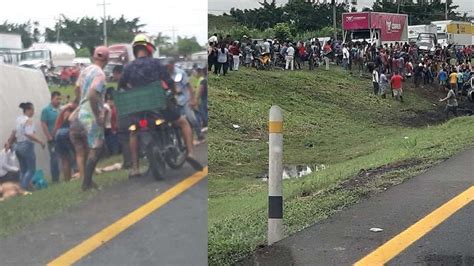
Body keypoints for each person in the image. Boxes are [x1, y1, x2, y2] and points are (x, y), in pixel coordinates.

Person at [118, 34, 203, 178]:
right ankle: (191, 153)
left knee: (134, 132)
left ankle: (135, 168)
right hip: (159, 106)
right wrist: (175, 90)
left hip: (139, 109)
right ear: (148, 48)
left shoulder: (128, 68)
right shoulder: (156, 64)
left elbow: (121, 86)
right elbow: (169, 82)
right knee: (183, 122)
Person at [70, 46, 109, 191]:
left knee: (89, 147)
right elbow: (93, 94)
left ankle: (87, 181)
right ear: (106, 59)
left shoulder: (86, 70)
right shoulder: (100, 74)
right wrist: (97, 112)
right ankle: (86, 182)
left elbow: (76, 87)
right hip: (92, 114)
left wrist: (80, 101)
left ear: (94, 57)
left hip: (81, 113)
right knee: (97, 147)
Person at [5, 103, 46, 190]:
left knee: (23, 170)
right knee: (31, 170)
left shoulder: (18, 119)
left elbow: (14, 133)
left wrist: (9, 143)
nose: (33, 112)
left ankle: (24, 187)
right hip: (27, 145)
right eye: (32, 110)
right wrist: (40, 141)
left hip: (18, 146)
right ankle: (22, 189)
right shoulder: (28, 120)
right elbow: (29, 134)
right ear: (27, 110)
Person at [53, 101, 79, 181]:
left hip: (59, 133)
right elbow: (69, 119)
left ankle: (67, 179)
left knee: (65, 159)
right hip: (67, 131)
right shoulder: (72, 109)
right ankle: (78, 174)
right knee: (76, 154)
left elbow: (57, 124)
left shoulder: (63, 110)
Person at [41, 91, 61, 183]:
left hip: (62, 136)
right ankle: (55, 179)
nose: (59, 101)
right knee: (54, 158)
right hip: (52, 138)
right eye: (57, 99)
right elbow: (43, 123)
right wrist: (48, 136)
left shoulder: (60, 109)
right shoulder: (46, 110)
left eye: (60, 99)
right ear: (52, 99)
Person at [104, 88, 119, 155]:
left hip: (109, 127)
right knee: (112, 141)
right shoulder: (107, 106)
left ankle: (114, 152)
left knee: (111, 141)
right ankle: (114, 152)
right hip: (110, 127)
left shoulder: (106, 106)